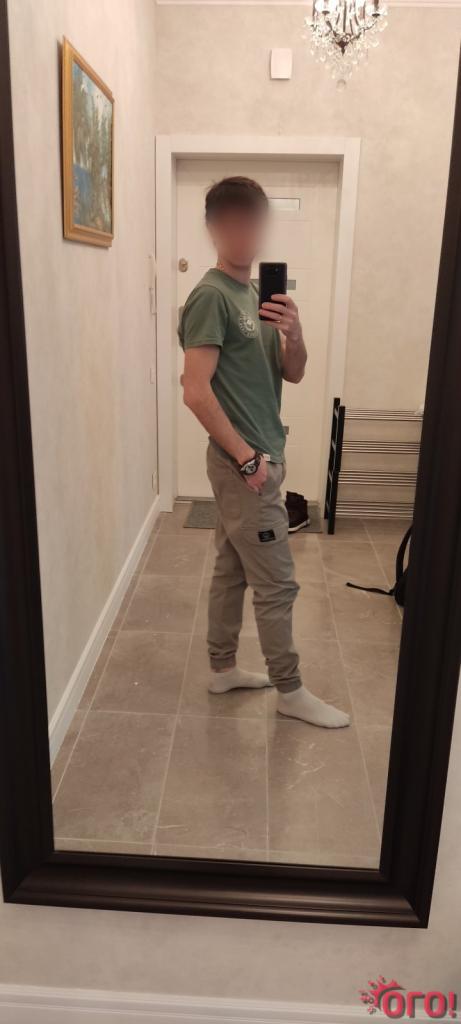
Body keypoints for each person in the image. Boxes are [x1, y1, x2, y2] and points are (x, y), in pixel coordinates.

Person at [178, 176, 349, 728]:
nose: (243, 232)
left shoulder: (255, 294)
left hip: (259, 458)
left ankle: (223, 669)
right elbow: (194, 390)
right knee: (278, 583)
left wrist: (294, 333)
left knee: (231, 569)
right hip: (245, 466)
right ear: (212, 228)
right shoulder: (210, 296)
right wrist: (248, 460)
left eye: (251, 220)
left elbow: (293, 373)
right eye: (230, 222)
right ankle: (291, 690)